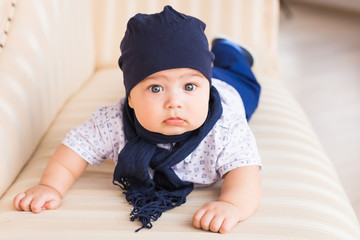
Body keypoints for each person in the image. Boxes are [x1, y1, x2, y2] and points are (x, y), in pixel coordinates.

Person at [13, 6, 262, 234]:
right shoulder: (113, 123)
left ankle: (230, 49)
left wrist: (231, 204)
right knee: (184, 73)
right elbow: (73, 153)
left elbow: (245, 174)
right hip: (196, 78)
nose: (174, 102)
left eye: (189, 86)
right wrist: (50, 187)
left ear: (205, 90)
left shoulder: (225, 127)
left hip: (229, 88)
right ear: (130, 97)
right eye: (155, 88)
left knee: (244, 80)